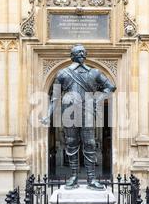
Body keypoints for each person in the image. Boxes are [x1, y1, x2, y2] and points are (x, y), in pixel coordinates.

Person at [41, 44, 116, 190]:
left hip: (87, 112)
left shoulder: (94, 73)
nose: (81, 53)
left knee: (90, 144)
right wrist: (48, 116)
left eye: (83, 51)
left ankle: (91, 178)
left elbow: (110, 87)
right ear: (72, 55)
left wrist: (98, 98)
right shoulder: (63, 73)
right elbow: (55, 97)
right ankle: (74, 176)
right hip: (69, 112)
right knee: (71, 143)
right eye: (78, 51)